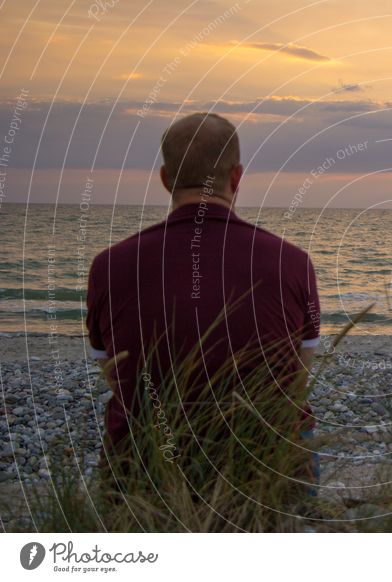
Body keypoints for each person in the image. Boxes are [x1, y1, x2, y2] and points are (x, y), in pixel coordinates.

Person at [86, 112, 321, 493]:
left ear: (165, 179)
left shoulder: (108, 266)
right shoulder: (292, 262)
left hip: (147, 464)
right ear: (236, 177)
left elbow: (115, 373)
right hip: (267, 466)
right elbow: (296, 376)